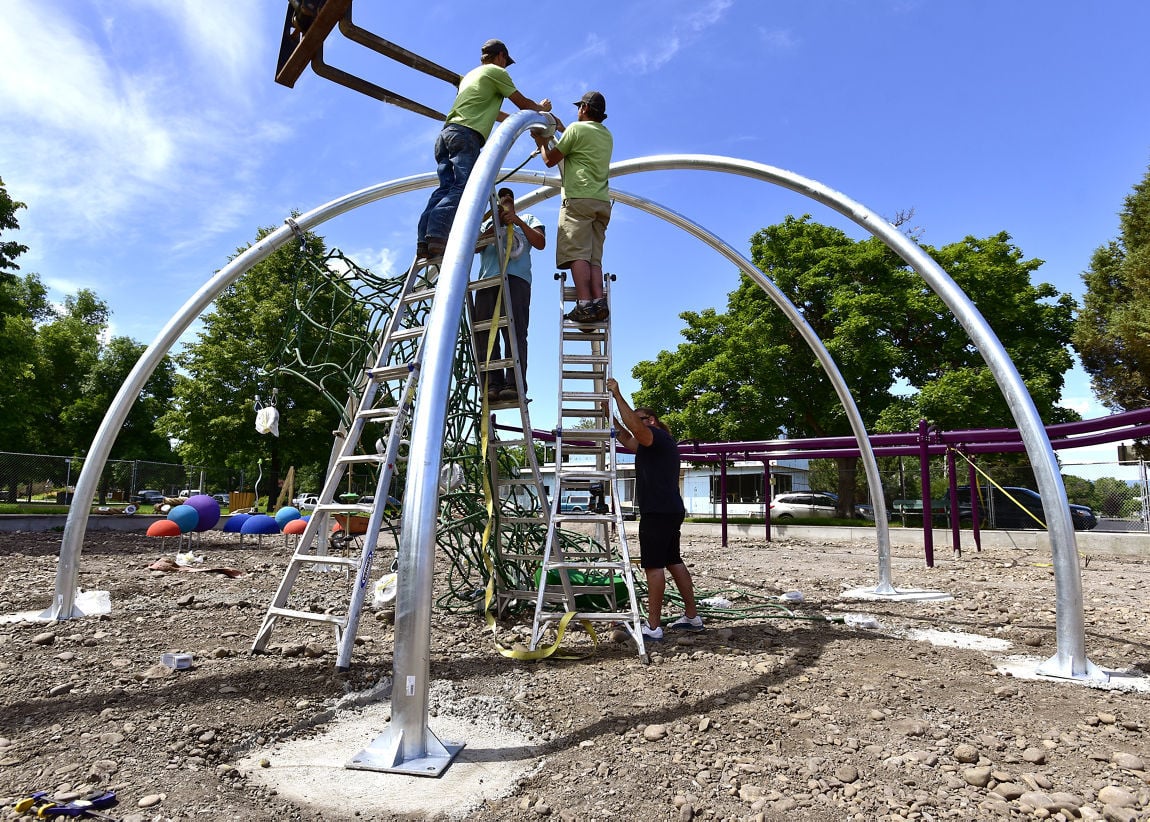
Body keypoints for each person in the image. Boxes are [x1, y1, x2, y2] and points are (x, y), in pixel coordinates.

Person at [416, 39, 553, 262]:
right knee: (464, 187)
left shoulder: (470, 77)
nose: (505, 66)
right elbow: (523, 102)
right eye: (505, 61)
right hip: (467, 135)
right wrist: (541, 110)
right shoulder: (496, 73)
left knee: (445, 188)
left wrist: (521, 123)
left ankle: (425, 240)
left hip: (447, 134)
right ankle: (439, 236)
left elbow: (496, 115)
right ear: (500, 56)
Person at [606, 378, 703, 641]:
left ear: (654, 421)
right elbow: (627, 437)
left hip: (658, 512)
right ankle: (693, 618)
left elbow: (634, 428)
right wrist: (610, 417)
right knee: (673, 561)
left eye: (643, 418)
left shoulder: (657, 437)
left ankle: (653, 626)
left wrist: (617, 394)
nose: (637, 422)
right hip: (669, 510)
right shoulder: (653, 446)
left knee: (653, 567)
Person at [534, 91, 613, 324]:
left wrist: (541, 143)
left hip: (578, 199)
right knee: (594, 258)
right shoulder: (606, 135)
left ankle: (584, 304)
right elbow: (580, 141)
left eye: (580, 107)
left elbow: (550, 160)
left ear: (585, 108)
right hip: (601, 202)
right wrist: (561, 127)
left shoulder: (576, 131)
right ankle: (598, 302)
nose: (578, 110)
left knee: (577, 254)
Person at [473, 187, 545, 403]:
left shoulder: (529, 218)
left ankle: (514, 383)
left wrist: (517, 222)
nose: (505, 198)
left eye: (509, 197)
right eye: (501, 197)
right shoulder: (486, 224)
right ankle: (492, 384)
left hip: (516, 280)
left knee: (514, 332)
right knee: (485, 334)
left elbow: (540, 242)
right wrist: (496, 225)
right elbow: (473, 247)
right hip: (488, 280)